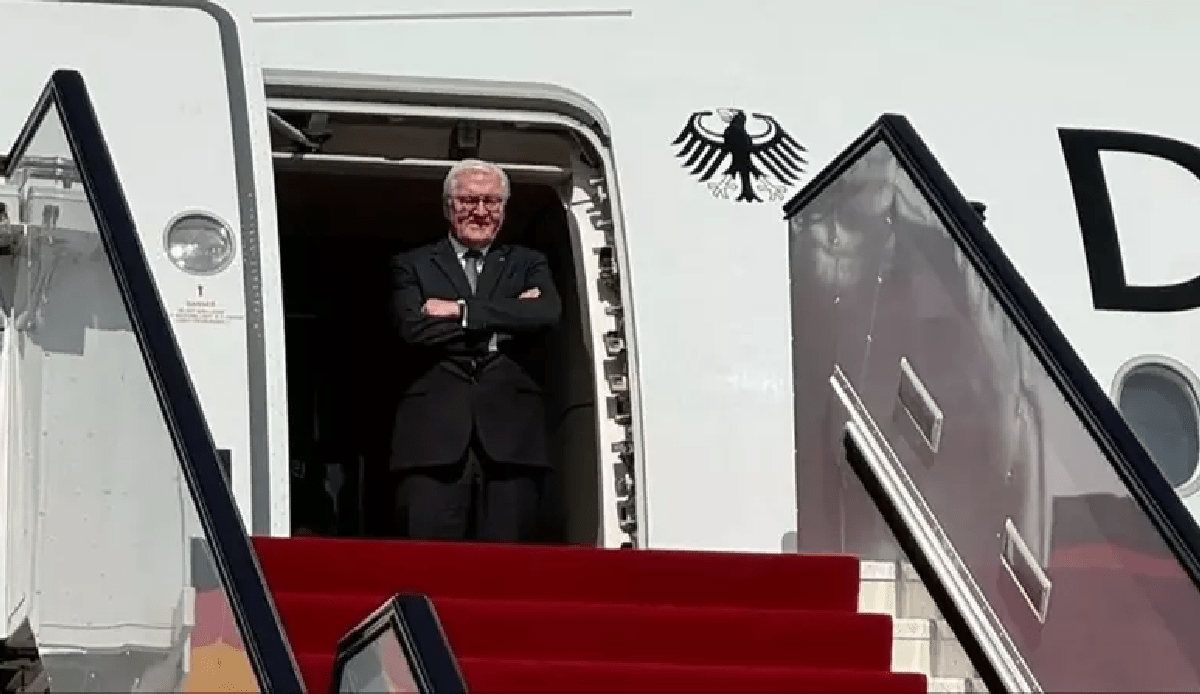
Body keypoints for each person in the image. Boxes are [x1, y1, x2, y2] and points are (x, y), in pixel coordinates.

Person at [389, 159, 562, 543]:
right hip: (432, 440)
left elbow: (547, 313)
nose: (480, 212)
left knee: (507, 566)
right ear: (448, 206)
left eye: (492, 201)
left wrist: (460, 311)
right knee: (428, 564)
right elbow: (413, 330)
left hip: (513, 440)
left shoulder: (528, 263)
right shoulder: (411, 264)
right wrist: (509, 317)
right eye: (469, 201)